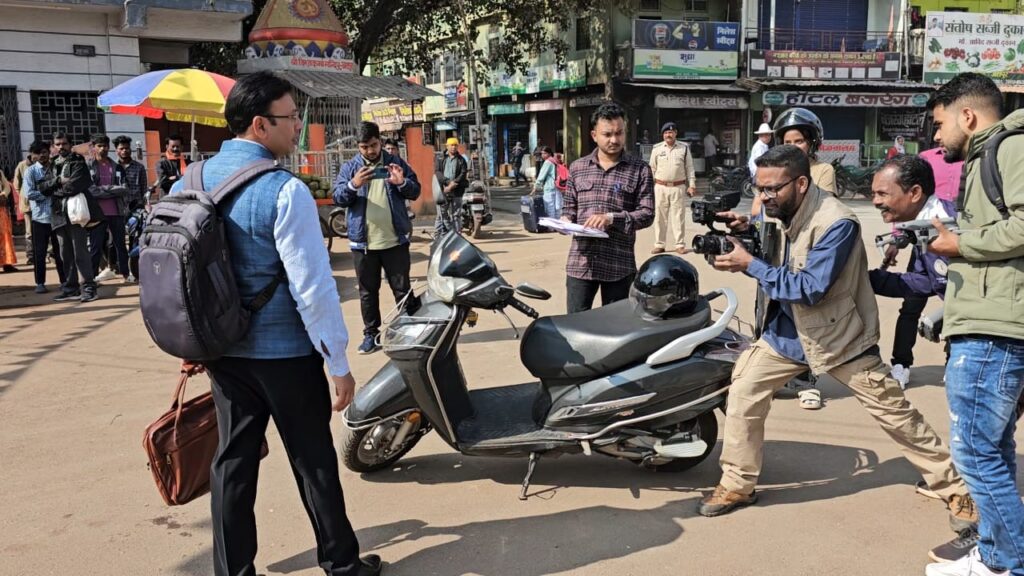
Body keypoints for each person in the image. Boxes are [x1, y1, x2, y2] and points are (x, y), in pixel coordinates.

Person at [697, 146, 978, 540]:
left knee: (895, 414)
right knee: (744, 391)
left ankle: (957, 491)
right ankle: (737, 484)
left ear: (800, 183)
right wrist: (746, 233)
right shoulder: (784, 209)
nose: (764, 197)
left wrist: (749, 264)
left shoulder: (838, 222)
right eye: (759, 188)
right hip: (787, 333)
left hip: (840, 336)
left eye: (772, 189)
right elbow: (781, 256)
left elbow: (809, 288)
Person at [170, 71, 381, 576]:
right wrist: (337, 362)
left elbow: (175, 272)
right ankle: (341, 563)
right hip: (285, 355)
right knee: (313, 461)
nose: (298, 127)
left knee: (233, 462)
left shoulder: (188, 181)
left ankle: (232, 571)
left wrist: (192, 340)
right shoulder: (284, 190)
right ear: (260, 124)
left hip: (222, 353)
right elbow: (313, 288)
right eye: (291, 118)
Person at [924, 72, 1024, 576]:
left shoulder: (1010, 147)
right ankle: (993, 552)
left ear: (967, 116)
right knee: (993, 449)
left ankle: (1009, 561)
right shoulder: (988, 154)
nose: (936, 136)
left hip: (995, 328)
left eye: (940, 124)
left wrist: (960, 244)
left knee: (975, 453)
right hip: (988, 319)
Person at [868, 154, 956, 391]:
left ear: (915, 193)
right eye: (873, 193)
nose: (875, 201)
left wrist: (944, 317)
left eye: (882, 194)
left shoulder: (951, 225)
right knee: (910, 309)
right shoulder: (922, 228)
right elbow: (923, 282)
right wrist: (865, 279)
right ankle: (901, 364)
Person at [333, 121, 422, 355]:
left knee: (402, 289)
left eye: (373, 145)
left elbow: (415, 190)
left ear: (380, 142)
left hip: (395, 241)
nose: (370, 151)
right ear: (358, 146)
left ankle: (411, 331)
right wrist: (354, 185)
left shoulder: (395, 163)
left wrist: (402, 183)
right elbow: (338, 197)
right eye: (364, 147)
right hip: (363, 244)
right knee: (367, 292)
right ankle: (371, 335)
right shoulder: (350, 168)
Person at [560, 102, 654, 313]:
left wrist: (612, 218)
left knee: (616, 326)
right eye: (607, 134)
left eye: (619, 133)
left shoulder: (640, 170)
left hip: (618, 264)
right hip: (581, 264)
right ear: (594, 135)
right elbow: (569, 208)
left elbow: (647, 214)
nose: (614, 140)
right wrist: (565, 221)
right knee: (575, 324)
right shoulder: (577, 168)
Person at [39, 132, 100, 303]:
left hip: (75, 214)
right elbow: (42, 187)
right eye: (58, 144)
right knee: (64, 253)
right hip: (58, 214)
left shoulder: (78, 162)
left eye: (64, 143)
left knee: (80, 252)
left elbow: (76, 185)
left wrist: (55, 190)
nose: (61, 147)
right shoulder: (52, 164)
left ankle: (88, 288)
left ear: (70, 145)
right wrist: (59, 180)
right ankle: (71, 288)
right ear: (53, 146)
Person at [22, 140, 66, 293]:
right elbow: (29, 194)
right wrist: (48, 193)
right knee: (39, 253)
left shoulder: (56, 168)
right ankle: (40, 283)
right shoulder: (31, 172)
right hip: (39, 219)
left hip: (57, 217)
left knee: (60, 252)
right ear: (33, 155)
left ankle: (64, 281)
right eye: (38, 153)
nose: (42, 155)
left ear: (49, 152)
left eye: (44, 152)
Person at [86, 134, 130, 283]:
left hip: (116, 211)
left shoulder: (117, 167)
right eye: (99, 146)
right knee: (96, 246)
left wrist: (103, 190)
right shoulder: (89, 167)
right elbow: (91, 190)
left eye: (105, 146)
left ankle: (125, 273)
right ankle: (91, 278)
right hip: (96, 213)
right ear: (93, 147)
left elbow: (124, 188)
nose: (102, 149)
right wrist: (111, 190)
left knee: (120, 244)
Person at [648, 121, 696, 255]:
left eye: (671, 132)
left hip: (678, 187)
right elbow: (652, 169)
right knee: (659, 217)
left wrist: (692, 185)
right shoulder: (657, 149)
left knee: (678, 217)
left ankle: (679, 244)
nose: (668, 135)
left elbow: (690, 168)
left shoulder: (684, 148)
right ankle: (659, 244)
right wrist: (649, 187)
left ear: (675, 133)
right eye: (666, 133)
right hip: (660, 187)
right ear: (663, 135)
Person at [434, 137, 468, 233]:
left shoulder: (461, 160)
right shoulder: (440, 158)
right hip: (443, 190)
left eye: (455, 145)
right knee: (441, 214)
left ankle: (457, 235)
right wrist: (448, 183)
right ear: (447, 146)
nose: (453, 147)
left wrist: (453, 184)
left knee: (456, 215)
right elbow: (437, 172)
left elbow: (463, 173)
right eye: (451, 145)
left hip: (457, 191)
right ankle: (439, 235)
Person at [13, 153, 34, 262]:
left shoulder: (44, 163)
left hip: (42, 203)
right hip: (28, 204)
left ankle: (49, 252)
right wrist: (23, 194)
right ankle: (31, 255)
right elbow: (16, 184)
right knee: (29, 231)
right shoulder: (22, 165)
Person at [155, 135, 190, 199]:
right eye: (173, 146)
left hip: (186, 198)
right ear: (167, 147)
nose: (175, 149)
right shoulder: (161, 163)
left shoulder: (189, 163)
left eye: (177, 146)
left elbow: (191, 180)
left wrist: (173, 178)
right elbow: (163, 183)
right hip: (167, 198)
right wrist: (181, 177)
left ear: (182, 147)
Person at [532, 146, 562, 220]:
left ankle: (551, 225)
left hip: (549, 188)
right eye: (542, 153)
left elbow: (541, 176)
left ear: (549, 153)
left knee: (550, 209)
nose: (543, 155)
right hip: (558, 187)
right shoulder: (556, 161)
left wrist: (536, 187)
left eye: (545, 153)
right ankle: (557, 224)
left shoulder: (548, 162)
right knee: (557, 209)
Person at [0, 171, 16, 272]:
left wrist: (3, 194)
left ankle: (7, 263)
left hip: (1, 208)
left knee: (5, 235)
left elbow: (7, 187)